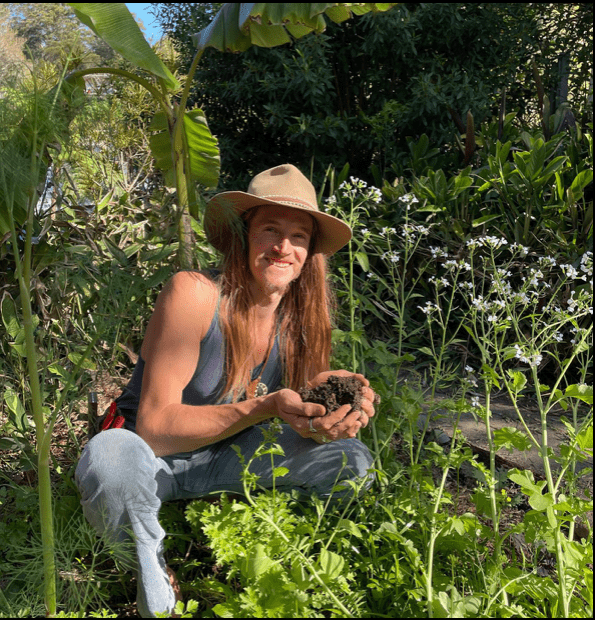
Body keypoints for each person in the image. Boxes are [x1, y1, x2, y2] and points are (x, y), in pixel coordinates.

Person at [75, 163, 377, 617]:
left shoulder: (305, 321)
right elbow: (155, 430)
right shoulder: (194, 294)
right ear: (242, 235)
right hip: (154, 462)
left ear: (310, 251)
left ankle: (260, 538)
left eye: (298, 236)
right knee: (108, 459)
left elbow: (299, 417)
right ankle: (150, 566)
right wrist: (265, 406)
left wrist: (327, 416)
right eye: (269, 229)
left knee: (352, 463)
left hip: (233, 459)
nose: (283, 247)